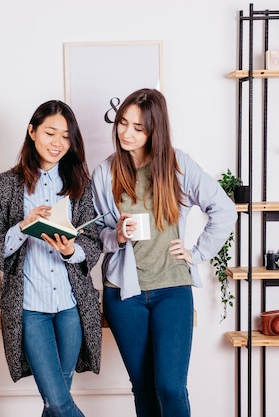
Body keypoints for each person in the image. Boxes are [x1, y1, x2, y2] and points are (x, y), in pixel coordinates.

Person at [91, 88, 237, 417]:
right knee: (143, 388)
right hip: (123, 295)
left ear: (155, 129)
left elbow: (224, 210)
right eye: (123, 123)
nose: (126, 133)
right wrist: (116, 236)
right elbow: (92, 235)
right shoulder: (105, 173)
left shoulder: (177, 164)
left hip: (172, 290)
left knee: (170, 387)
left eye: (138, 127)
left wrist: (197, 253)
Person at [0, 100, 102, 417]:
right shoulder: (6, 185)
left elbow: (95, 240)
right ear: (32, 132)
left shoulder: (79, 184)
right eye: (50, 132)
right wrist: (22, 227)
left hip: (72, 307)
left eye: (65, 135)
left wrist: (72, 250)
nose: (57, 142)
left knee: (56, 400)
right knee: (59, 402)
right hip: (30, 308)